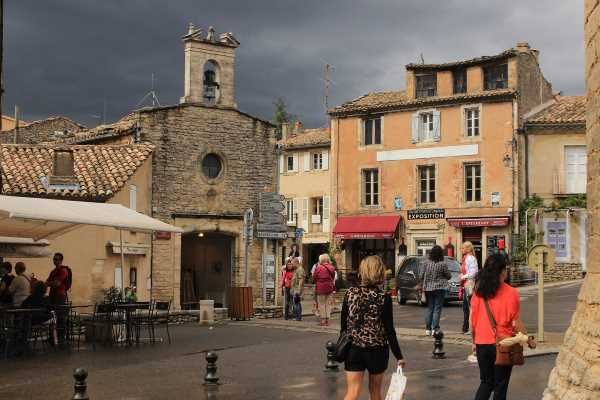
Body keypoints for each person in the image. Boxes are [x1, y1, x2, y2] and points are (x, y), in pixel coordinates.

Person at [470, 254, 535, 400]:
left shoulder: (478, 292)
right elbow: (516, 322)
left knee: (486, 382)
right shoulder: (511, 293)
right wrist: (528, 339)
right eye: (505, 269)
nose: (506, 271)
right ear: (501, 272)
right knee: (500, 386)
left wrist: (474, 342)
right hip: (503, 345)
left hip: (482, 344)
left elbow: (473, 321)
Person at [341, 255, 405, 400]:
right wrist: (399, 356)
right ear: (379, 272)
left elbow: (343, 327)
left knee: (352, 392)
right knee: (375, 392)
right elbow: (389, 330)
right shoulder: (383, 297)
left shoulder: (349, 294)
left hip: (353, 348)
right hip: (377, 350)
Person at [419, 245, 451, 336]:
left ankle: (428, 329)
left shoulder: (426, 263)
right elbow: (449, 276)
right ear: (441, 254)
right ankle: (435, 328)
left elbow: (421, 276)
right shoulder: (443, 264)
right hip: (440, 288)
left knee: (430, 308)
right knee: (437, 308)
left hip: (428, 288)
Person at [46, 252, 70, 345]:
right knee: (52, 317)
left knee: (60, 318)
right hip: (52, 296)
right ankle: (53, 338)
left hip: (60, 296)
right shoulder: (53, 272)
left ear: (61, 260)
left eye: (56, 259)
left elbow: (57, 283)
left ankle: (61, 339)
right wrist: (51, 282)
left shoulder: (63, 271)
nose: (54, 260)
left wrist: (50, 283)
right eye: (54, 259)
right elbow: (48, 282)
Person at [312, 253, 336, 326]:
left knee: (321, 304)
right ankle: (328, 320)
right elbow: (333, 277)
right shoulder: (332, 267)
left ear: (321, 259)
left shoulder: (318, 268)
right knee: (328, 304)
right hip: (329, 287)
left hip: (320, 288)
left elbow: (314, 277)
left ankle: (323, 320)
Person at [461, 241, 478, 334]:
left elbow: (473, 273)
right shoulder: (466, 258)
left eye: (463, 248)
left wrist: (462, 277)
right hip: (466, 284)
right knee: (466, 307)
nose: (461, 249)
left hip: (469, 284)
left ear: (467, 249)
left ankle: (469, 328)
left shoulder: (470, 258)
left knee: (469, 307)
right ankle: (466, 327)